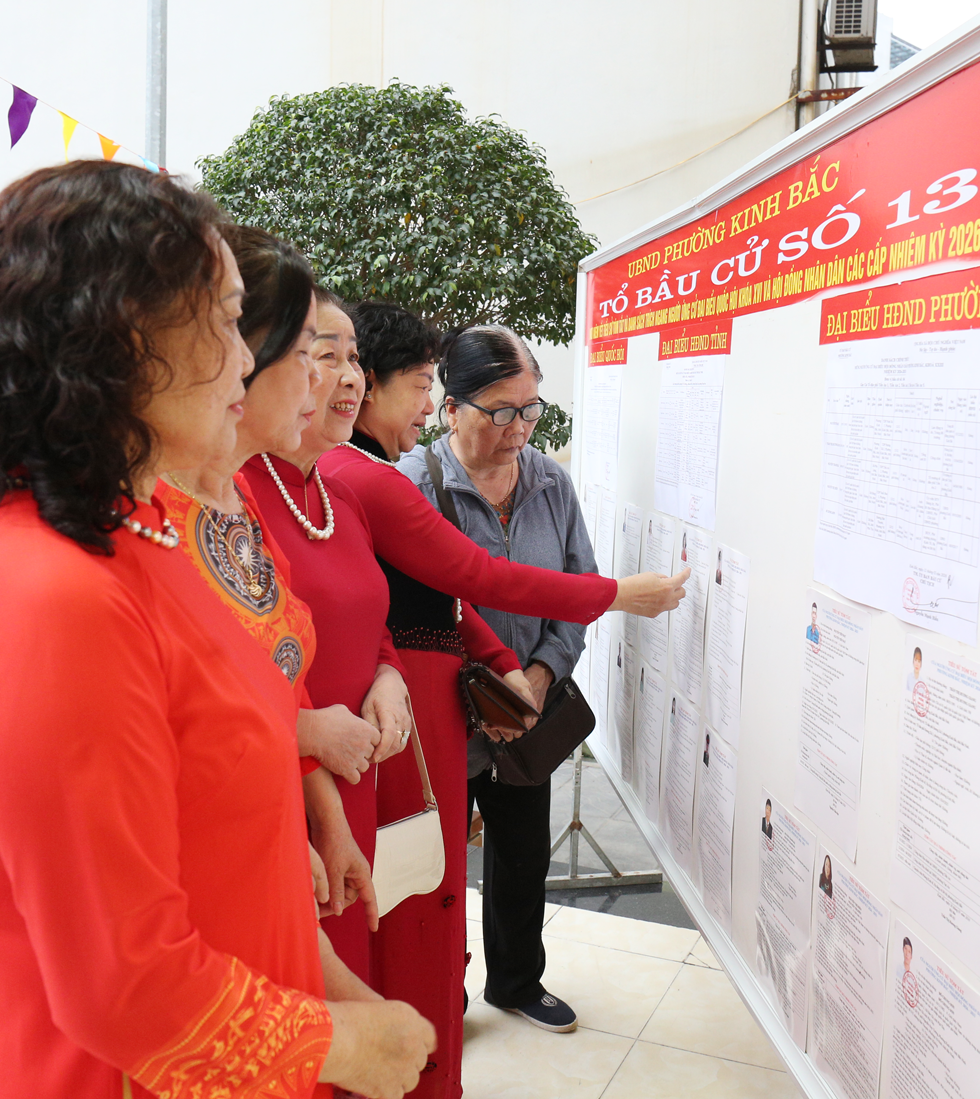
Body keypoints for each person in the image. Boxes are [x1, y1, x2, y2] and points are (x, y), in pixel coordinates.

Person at [0, 162, 432, 1098]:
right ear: (127, 339)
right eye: (226, 322)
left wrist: (335, 990)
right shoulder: (52, 595)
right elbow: (125, 983)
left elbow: (229, 830)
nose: (246, 360)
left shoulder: (142, 531)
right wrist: (351, 1046)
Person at [317, 303, 685, 1095]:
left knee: (482, 868)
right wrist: (620, 594)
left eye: (531, 410)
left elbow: (446, 603)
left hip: (468, 706)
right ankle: (423, 1036)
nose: (424, 403)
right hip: (412, 723)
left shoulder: (350, 478)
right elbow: (476, 580)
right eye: (421, 385)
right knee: (416, 889)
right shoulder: (375, 478)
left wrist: (518, 669)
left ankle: (485, 997)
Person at [399, 322, 693, 1040]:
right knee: (436, 868)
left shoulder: (549, 482)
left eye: (531, 409)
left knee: (523, 853)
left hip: (528, 713)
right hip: (444, 717)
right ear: (451, 409)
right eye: (501, 411)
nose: (519, 428)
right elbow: (413, 613)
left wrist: (538, 673)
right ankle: (440, 990)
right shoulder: (413, 486)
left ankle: (516, 981)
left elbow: (576, 589)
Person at [157, 230, 409, 982]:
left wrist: (324, 819)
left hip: (270, 843)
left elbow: (279, 677)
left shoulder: (237, 497)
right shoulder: (140, 522)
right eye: (310, 354)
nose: (331, 383)